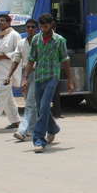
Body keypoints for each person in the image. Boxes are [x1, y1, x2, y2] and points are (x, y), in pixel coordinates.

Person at [22, 13, 74, 153]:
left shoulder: (59, 40)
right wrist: (25, 78)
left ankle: (38, 139)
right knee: (41, 108)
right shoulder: (36, 40)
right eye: (41, 26)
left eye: (46, 26)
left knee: (44, 106)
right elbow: (31, 60)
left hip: (52, 77)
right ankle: (53, 128)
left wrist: (70, 80)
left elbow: (65, 60)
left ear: (51, 25)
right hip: (39, 77)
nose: (43, 29)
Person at [4, 19, 38, 141]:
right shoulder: (22, 43)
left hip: (38, 74)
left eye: (33, 27)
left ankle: (22, 130)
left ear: (37, 29)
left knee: (30, 104)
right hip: (26, 74)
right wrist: (9, 76)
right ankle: (38, 130)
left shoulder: (40, 42)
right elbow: (16, 60)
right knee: (33, 104)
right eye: (28, 27)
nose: (30, 29)